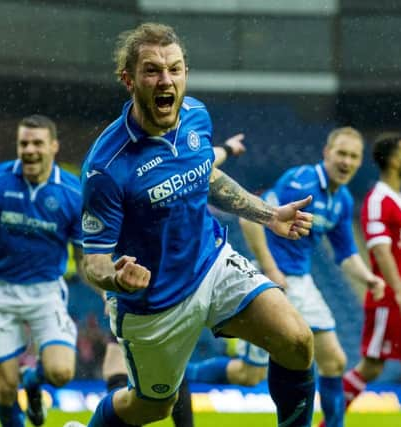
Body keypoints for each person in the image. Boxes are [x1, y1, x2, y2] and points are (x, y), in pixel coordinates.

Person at [66, 22, 317, 427]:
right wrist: (117, 279)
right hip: (154, 304)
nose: (166, 79)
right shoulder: (106, 168)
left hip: (212, 264)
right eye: (152, 70)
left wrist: (268, 215)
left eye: (175, 68)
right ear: (128, 80)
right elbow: (92, 261)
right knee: (151, 408)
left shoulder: (196, 116)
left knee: (296, 342)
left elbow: (206, 176)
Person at [97, 133, 247, 427]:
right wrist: (110, 289)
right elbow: (99, 248)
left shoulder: (181, 162)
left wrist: (229, 148)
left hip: (180, 283)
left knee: (168, 372)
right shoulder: (116, 178)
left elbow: (208, 158)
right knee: (129, 362)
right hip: (137, 292)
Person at [239, 127, 386, 427]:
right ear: (327, 153)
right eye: (341, 153)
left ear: (359, 163)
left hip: (301, 283)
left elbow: (345, 253)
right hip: (269, 282)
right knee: (248, 374)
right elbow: (249, 219)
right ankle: (187, 379)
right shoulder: (300, 182)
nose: (346, 161)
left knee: (334, 361)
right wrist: (271, 269)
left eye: (354, 156)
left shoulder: (342, 199)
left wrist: (368, 278)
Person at [0, 115, 90, 427]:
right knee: (6, 389)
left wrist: (107, 291)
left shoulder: (73, 193)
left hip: (45, 291)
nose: (29, 149)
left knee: (61, 373)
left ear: (54, 147)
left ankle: (34, 380)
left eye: (37, 143)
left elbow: (85, 258)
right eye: (23, 143)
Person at [341, 133, 401, 427]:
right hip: (390, 297)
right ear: (393, 160)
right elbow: (380, 251)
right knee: (372, 366)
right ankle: (326, 423)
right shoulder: (378, 198)